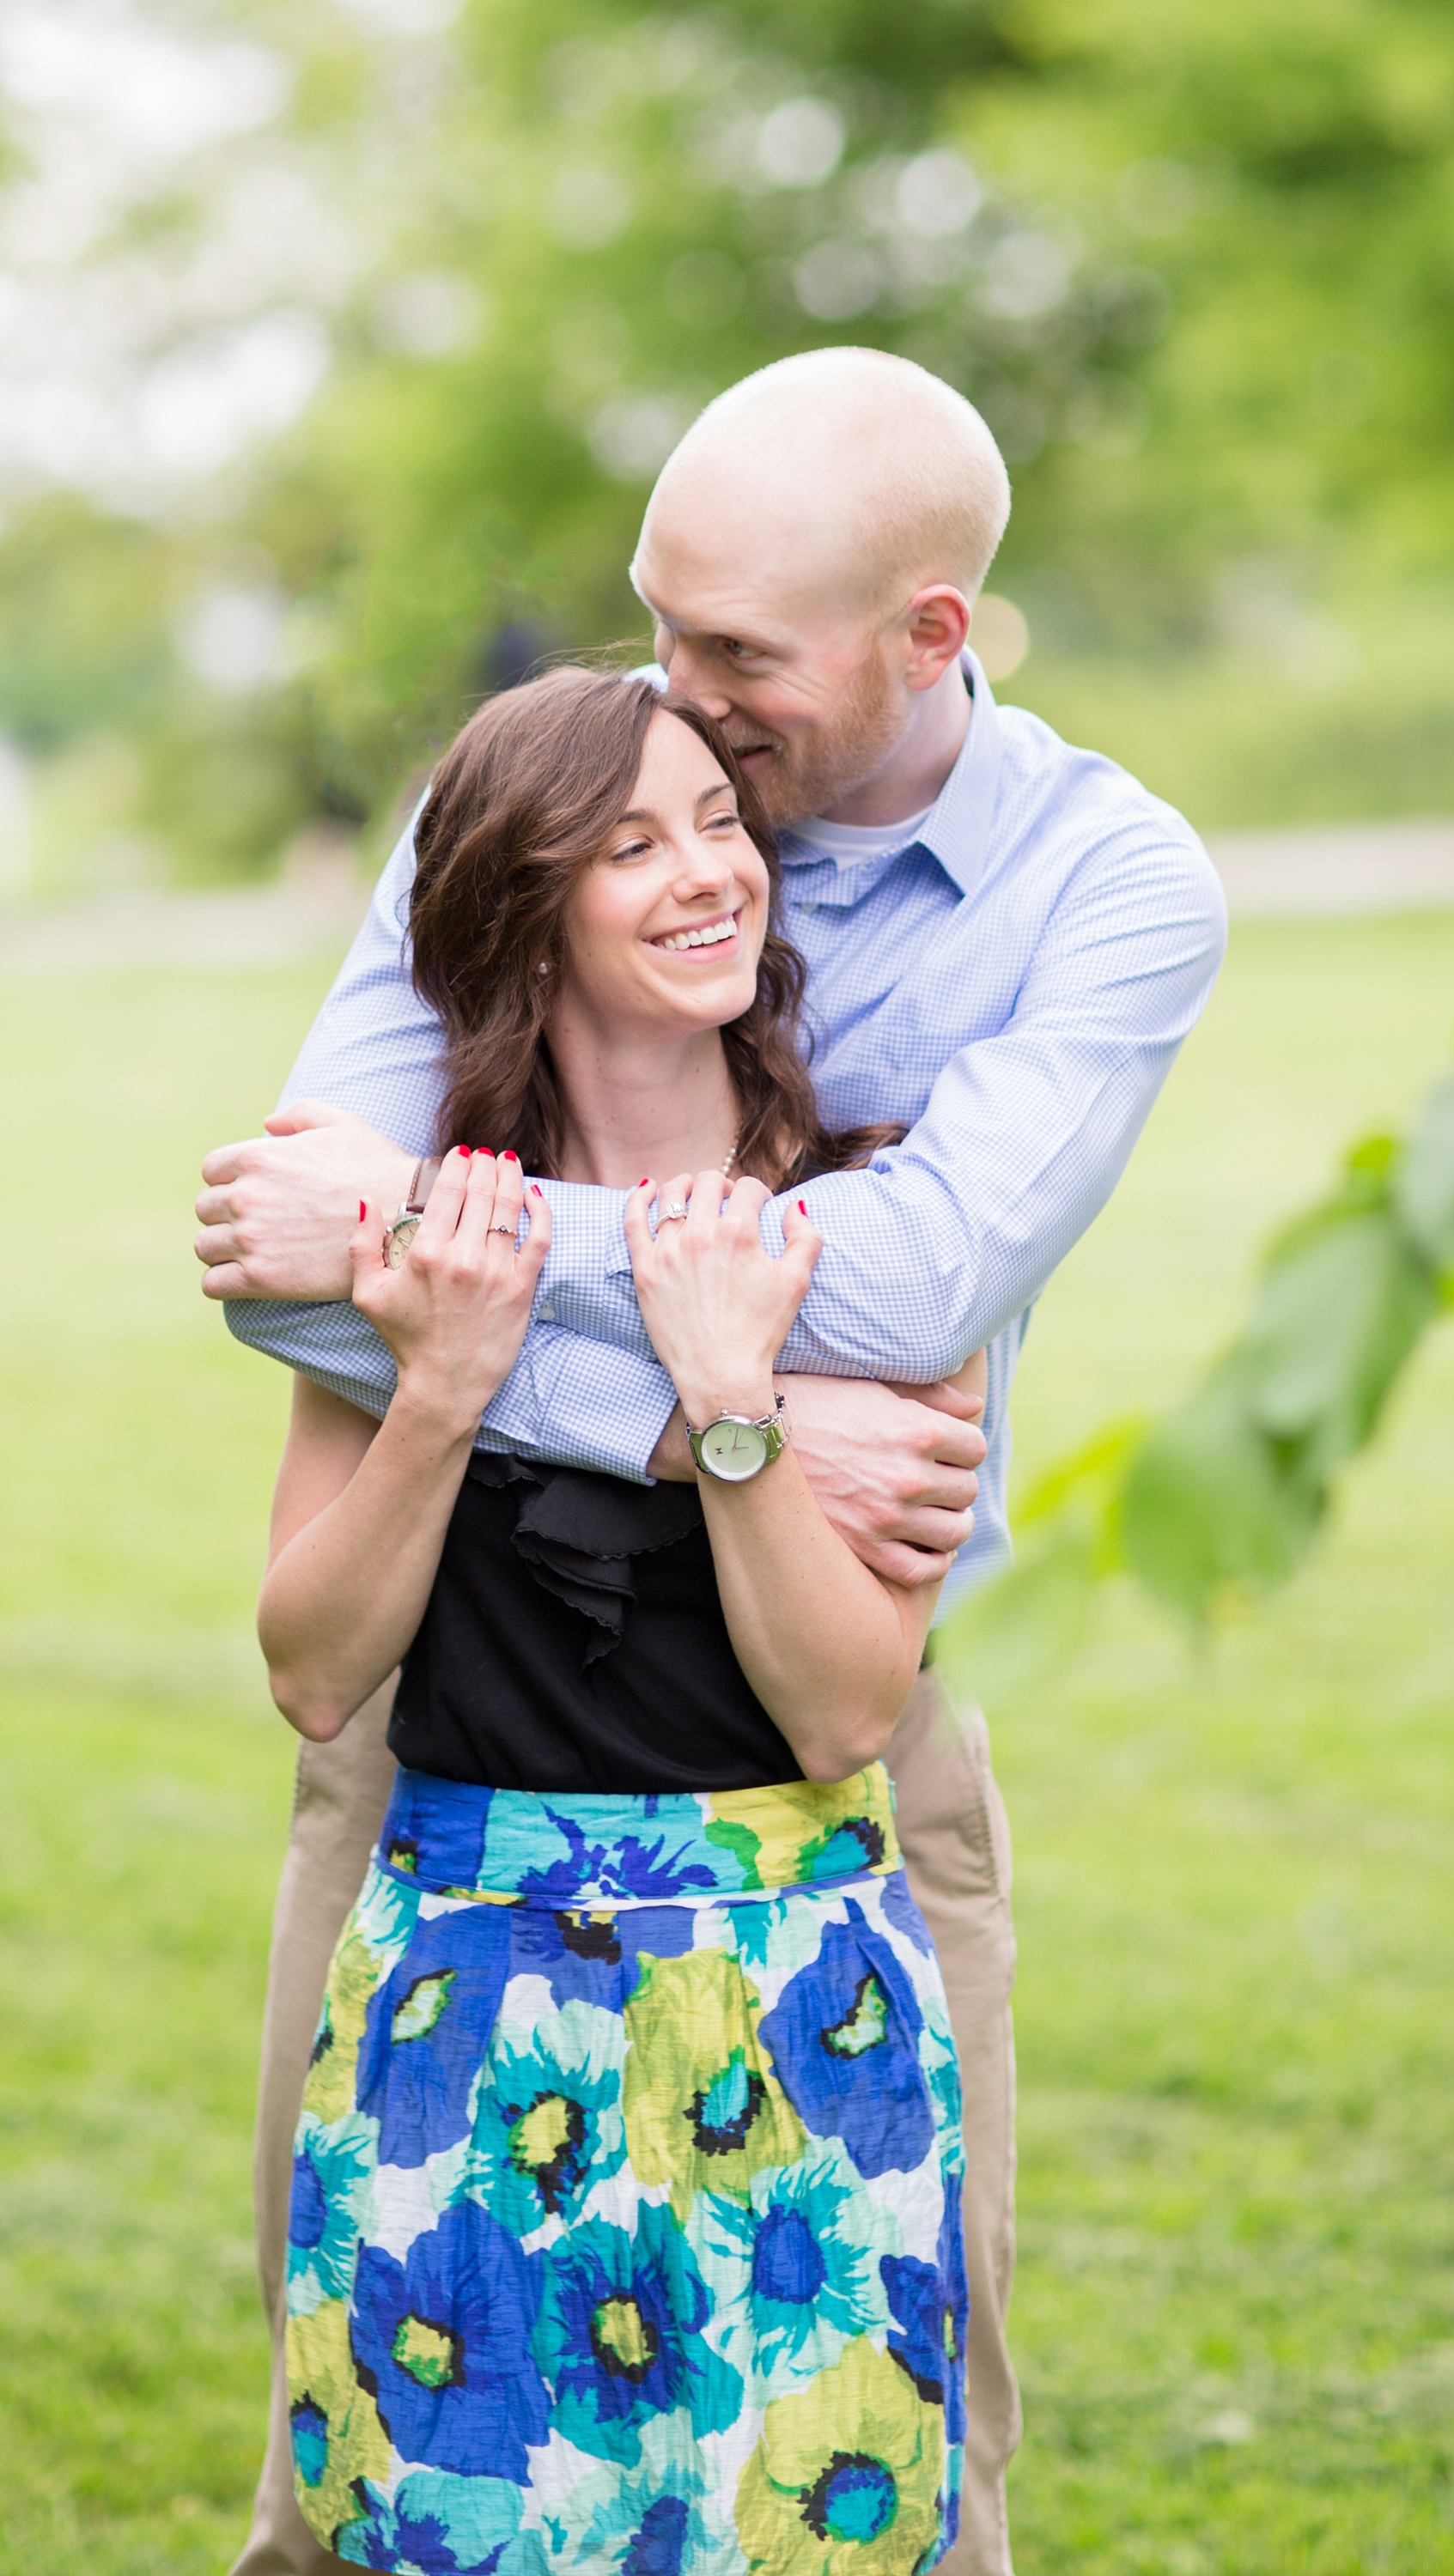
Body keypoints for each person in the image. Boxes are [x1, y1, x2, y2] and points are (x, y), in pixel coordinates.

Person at [198, 345, 1227, 2576]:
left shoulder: (1108, 885)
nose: (674, 694)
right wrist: (719, 1401)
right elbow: (287, 1266)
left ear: (928, 632)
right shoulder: (570, 779)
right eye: (657, 619)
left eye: (735, 656)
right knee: (359, 2468)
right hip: (441, 1762)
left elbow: (918, 1281)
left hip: (826, 1752)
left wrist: (474, 1262)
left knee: (894, 2476)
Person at [258, 671, 973, 2572]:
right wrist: (442, 1384)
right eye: (628, 842)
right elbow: (315, 1668)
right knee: (449, 2522)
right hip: (466, 1996)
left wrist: (734, 1407)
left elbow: (842, 1714)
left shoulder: (885, 1235)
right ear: (518, 909)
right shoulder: (416, 1238)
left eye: (722, 824)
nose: (707, 873)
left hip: (791, 2006)